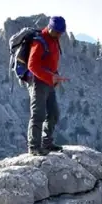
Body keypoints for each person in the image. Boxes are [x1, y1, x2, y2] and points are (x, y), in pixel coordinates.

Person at [26, 15, 68, 155]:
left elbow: (51, 61)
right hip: (38, 82)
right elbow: (32, 65)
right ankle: (34, 147)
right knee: (38, 114)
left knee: (54, 113)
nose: (59, 35)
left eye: (61, 33)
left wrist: (55, 77)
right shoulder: (39, 42)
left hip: (49, 82)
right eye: (57, 32)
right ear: (50, 28)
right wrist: (51, 77)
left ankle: (47, 143)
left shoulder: (54, 40)